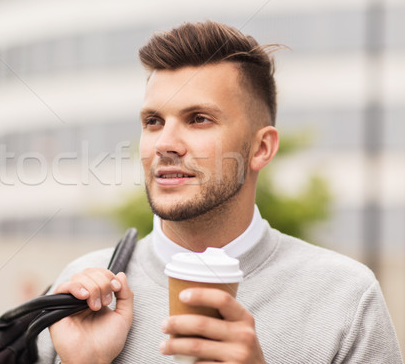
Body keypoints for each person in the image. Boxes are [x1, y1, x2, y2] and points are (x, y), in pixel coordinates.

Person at [35, 21, 403, 363]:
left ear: (261, 149)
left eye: (199, 119)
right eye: (153, 121)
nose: (165, 144)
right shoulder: (79, 291)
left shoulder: (346, 298)